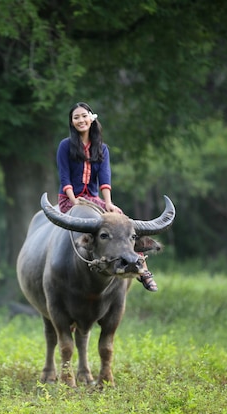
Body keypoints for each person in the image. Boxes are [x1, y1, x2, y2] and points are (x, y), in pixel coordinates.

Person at [56, 102, 158, 292]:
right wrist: (73, 200)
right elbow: (64, 176)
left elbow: (104, 178)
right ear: (71, 122)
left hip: (93, 199)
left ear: (91, 118)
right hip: (70, 199)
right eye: (76, 117)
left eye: (83, 116)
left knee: (122, 221)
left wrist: (109, 203)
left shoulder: (102, 149)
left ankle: (143, 269)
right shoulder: (65, 146)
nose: (80, 120)